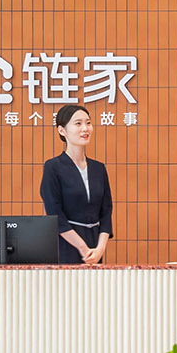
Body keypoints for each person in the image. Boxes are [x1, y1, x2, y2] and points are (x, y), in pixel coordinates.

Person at [40, 105, 113, 264]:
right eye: (78, 123)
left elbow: (106, 212)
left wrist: (100, 249)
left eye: (88, 123)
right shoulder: (53, 167)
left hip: (95, 247)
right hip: (66, 245)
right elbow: (54, 213)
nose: (85, 128)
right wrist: (83, 249)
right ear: (62, 131)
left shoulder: (99, 168)